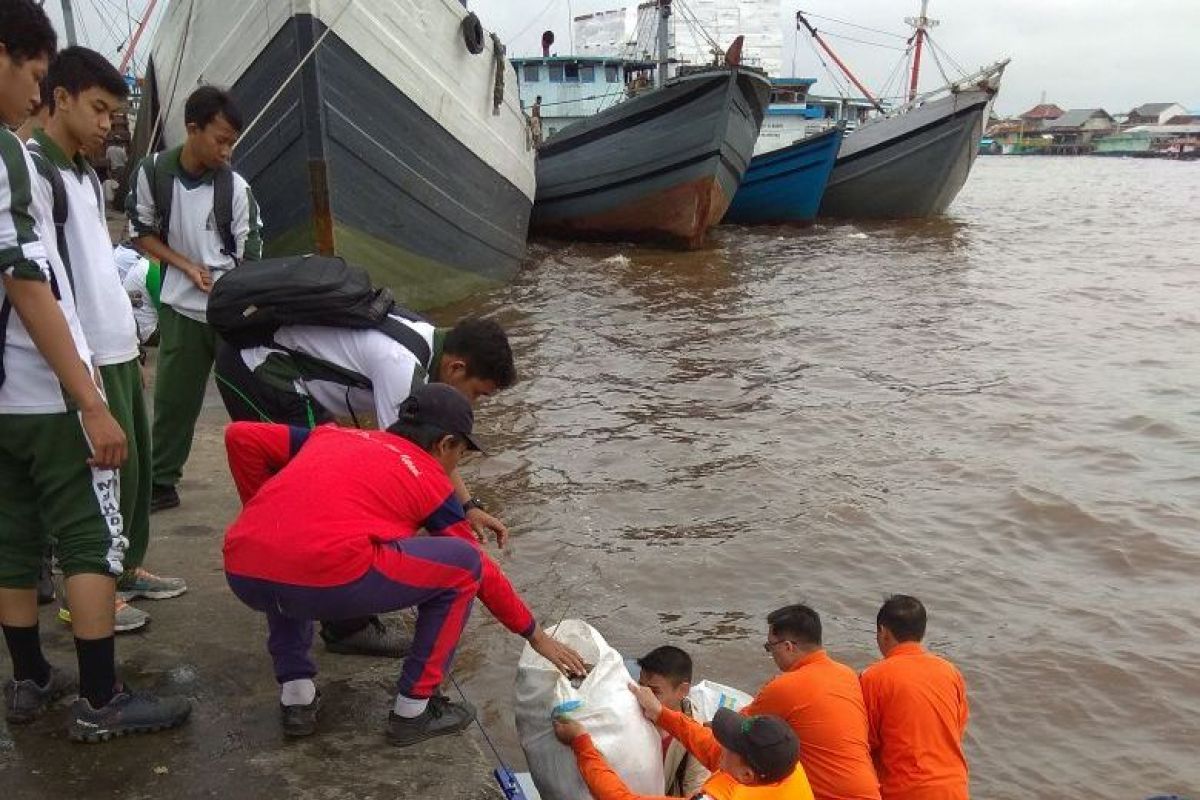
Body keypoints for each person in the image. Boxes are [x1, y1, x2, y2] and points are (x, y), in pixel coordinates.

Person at [0, 0, 190, 740]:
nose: (34, 94)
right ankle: (101, 700)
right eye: (35, 75)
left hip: (8, 399)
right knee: (88, 535)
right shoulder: (18, 159)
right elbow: (29, 278)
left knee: (13, 538)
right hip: (45, 385)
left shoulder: (62, 168)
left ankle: (28, 680)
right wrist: (87, 397)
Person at [222, 382, 586, 743]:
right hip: (329, 576)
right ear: (445, 444)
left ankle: (297, 698)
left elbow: (241, 436)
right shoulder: (428, 476)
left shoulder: (330, 436)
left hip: (243, 568)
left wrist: (261, 512)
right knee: (462, 567)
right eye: (460, 454)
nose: (456, 465)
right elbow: (476, 566)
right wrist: (534, 634)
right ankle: (414, 710)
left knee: (291, 555)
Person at [215, 314, 516, 656]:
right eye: (477, 394)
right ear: (457, 368)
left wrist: (468, 506)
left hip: (285, 371)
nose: (473, 404)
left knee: (326, 490)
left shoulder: (427, 341)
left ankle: (292, 577)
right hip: (262, 371)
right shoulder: (401, 366)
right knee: (310, 497)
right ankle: (341, 624)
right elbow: (413, 458)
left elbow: (431, 459)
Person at [31, 46, 188, 637]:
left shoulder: (85, 176)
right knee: (91, 482)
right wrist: (82, 369)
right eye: (97, 109)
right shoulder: (36, 170)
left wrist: (128, 345)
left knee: (135, 473)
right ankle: (85, 592)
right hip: (85, 354)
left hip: (119, 345)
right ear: (60, 97)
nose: (106, 124)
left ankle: (122, 571)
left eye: (112, 113)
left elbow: (99, 264)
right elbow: (39, 281)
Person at [126, 84, 263, 513]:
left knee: (251, 398)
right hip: (180, 306)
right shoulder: (153, 173)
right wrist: (184, 265)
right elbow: (141, 232)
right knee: (172, 401)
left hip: (229, 310)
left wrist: (235, 296)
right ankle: (161, 482)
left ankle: (270, 483)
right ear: (192, 129)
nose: (227, 151)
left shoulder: (236, 189)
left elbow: (252, 252)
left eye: (232, 142)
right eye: (221, 140)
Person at [552, 682, 814, 800]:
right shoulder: (786, 767)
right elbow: (707, 744)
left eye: (730, 745)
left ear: (746, 773)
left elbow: (618, 797)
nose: (721, 743)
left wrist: (581, 742)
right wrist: (662, 713)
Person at [742, 604, 881, 800]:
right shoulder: (846, 674)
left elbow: (740, 730)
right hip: (868, 791)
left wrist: (686, 722)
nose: (770, 654)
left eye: (769, 647)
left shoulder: (784, 686)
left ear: (788, 646)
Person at [860, 596, 970, 800]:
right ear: (922, 632)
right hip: (954, 788)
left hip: (905, 791)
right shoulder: (950, 672)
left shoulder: (873, 678)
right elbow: (957, 728)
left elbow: (865, 742)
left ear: (883, 632)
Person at [636, 645, 711, 796]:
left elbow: (695, 788)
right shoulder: (631, 709)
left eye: (654, 692)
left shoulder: (697, 735)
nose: (644, 697)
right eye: (641, 686)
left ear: (683, 690)